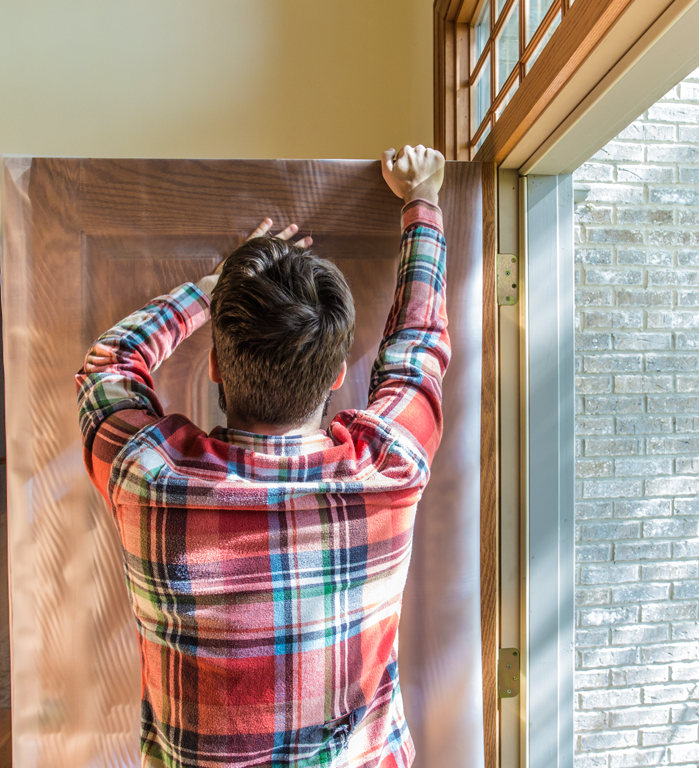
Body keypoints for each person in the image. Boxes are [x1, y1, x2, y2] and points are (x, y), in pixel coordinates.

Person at [75, 145, 448, 768]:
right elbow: (418, 345)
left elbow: (109, 366)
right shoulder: (390, 466)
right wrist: (423, 202)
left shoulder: (147, 477)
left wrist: (210, 291)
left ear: (215, 364)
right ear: (337, 377)